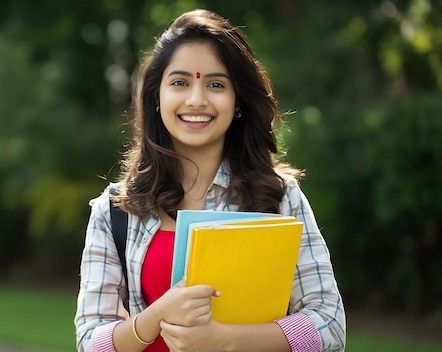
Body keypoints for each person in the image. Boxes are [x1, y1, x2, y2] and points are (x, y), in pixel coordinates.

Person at [74, 8, 346, 352]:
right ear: (157, 98)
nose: (197, 99)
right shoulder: (116, 210)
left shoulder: (280, 198)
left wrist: (226, 340)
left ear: (238, 102)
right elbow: (90, 342)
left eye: (215, 84)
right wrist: (155, 316)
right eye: (180, 82)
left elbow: (330, 324)